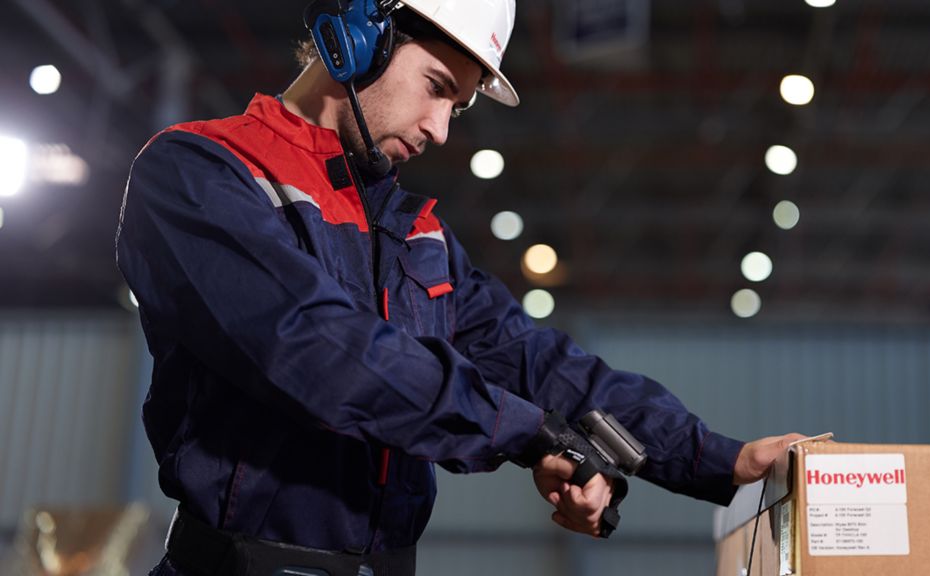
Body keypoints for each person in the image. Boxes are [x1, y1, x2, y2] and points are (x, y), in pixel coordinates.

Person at [115, 1, 803, 575]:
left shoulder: (418, 236)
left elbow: (541, 366)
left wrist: (722, 458)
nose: (442, 129)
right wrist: (529, 435)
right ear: (362, 38)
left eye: (460, 106)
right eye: (438, 86)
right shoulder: (200, 172)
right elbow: (321, 353)